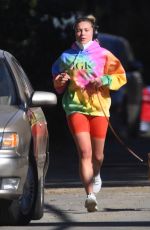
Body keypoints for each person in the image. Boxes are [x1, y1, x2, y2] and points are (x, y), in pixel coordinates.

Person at [51, 16, 127, 212]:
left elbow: (121, 76)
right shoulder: (66, 56)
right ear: (74, 32)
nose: (82, 33)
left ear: (94, 32)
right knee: (85, 153)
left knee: (98, 155)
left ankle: (97, 173)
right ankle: (90, 195)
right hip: (75, 107)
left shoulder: (104, 54)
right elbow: (57, 84)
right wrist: (60, 80)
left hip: (99, 108)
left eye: (86, 30)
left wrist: (105, 80)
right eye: (78, 30)